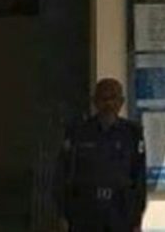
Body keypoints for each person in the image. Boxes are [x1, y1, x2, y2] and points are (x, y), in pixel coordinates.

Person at [54, 78, 147, 232]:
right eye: (104, 99)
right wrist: (62, 215)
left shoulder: (133, 133)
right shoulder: (78, 132)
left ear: (121, 102)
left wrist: (137, 219)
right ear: (95, 102)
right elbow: (63, 175)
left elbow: (139, 178)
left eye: (113, 98)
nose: (108, 104)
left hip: (120, 213)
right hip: (86, 213)